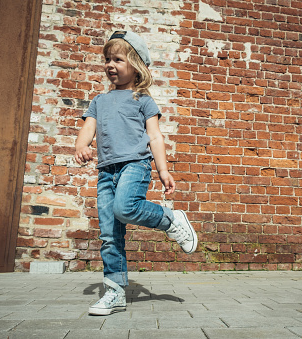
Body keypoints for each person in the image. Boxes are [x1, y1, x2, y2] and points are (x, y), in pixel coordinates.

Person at [74, 31, 198, 316]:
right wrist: (81, 145)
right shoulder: (98, 101)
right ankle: (115, 292)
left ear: (136, 64)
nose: (110, 65)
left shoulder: (143, 100)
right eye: (107, 59)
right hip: (106, 171)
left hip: (135, 166)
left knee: (125, 207)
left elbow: (155, 137)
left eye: (118, 59)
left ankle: (170, 219)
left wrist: (163, 170)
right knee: (108, 234)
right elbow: (88, 129)